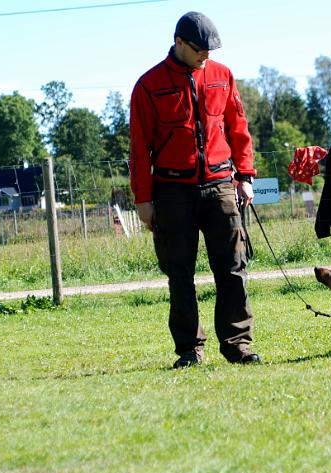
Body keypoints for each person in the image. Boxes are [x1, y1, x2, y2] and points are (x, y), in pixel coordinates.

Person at [129, 11, 260, 368]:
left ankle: (238, 345)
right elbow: (140, 148)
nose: (207, 56)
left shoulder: (222, 76)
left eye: (211, 50)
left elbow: (238, 127)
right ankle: (189, 350)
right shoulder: (148, 85)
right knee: (180, 274)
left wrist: (245, 176)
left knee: (233, 268)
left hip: (220, 186)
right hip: (172, 191)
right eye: (200, 49)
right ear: (179, 43)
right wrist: (143, 199)